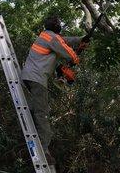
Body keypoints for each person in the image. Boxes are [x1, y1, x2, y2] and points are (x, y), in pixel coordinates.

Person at [21, 16, 89, 165]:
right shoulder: (52, 38)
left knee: (35, 108)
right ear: (56, 26)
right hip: (37, 78)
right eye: (59, 23)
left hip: (28, 77)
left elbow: (64, 40)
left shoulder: (46, 36)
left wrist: (82, 39)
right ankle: (44, 151)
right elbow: (68, 52)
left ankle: (37, 134)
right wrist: (76, 58)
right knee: (42, 113)